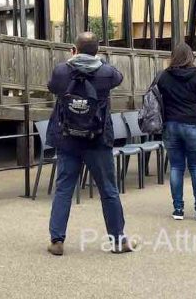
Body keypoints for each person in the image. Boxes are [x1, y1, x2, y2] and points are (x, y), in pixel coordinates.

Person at [46, 32, 133, 255]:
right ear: (97, 51)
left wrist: (71, 60)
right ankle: (118, 240)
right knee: (108, 190)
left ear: (74, 49)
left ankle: (57, 240)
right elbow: (118, 77)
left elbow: (52, 87)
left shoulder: (62, 70)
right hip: (98, 137)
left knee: (64, 188)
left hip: (68, 138)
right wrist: (98, 60)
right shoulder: (105, 72)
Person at [157, 43, 196, 221]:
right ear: (191, 56)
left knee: (176, 167)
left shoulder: (164, 77)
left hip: (171, 125)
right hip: (193, 125)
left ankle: (178, 209)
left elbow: (157, 101)